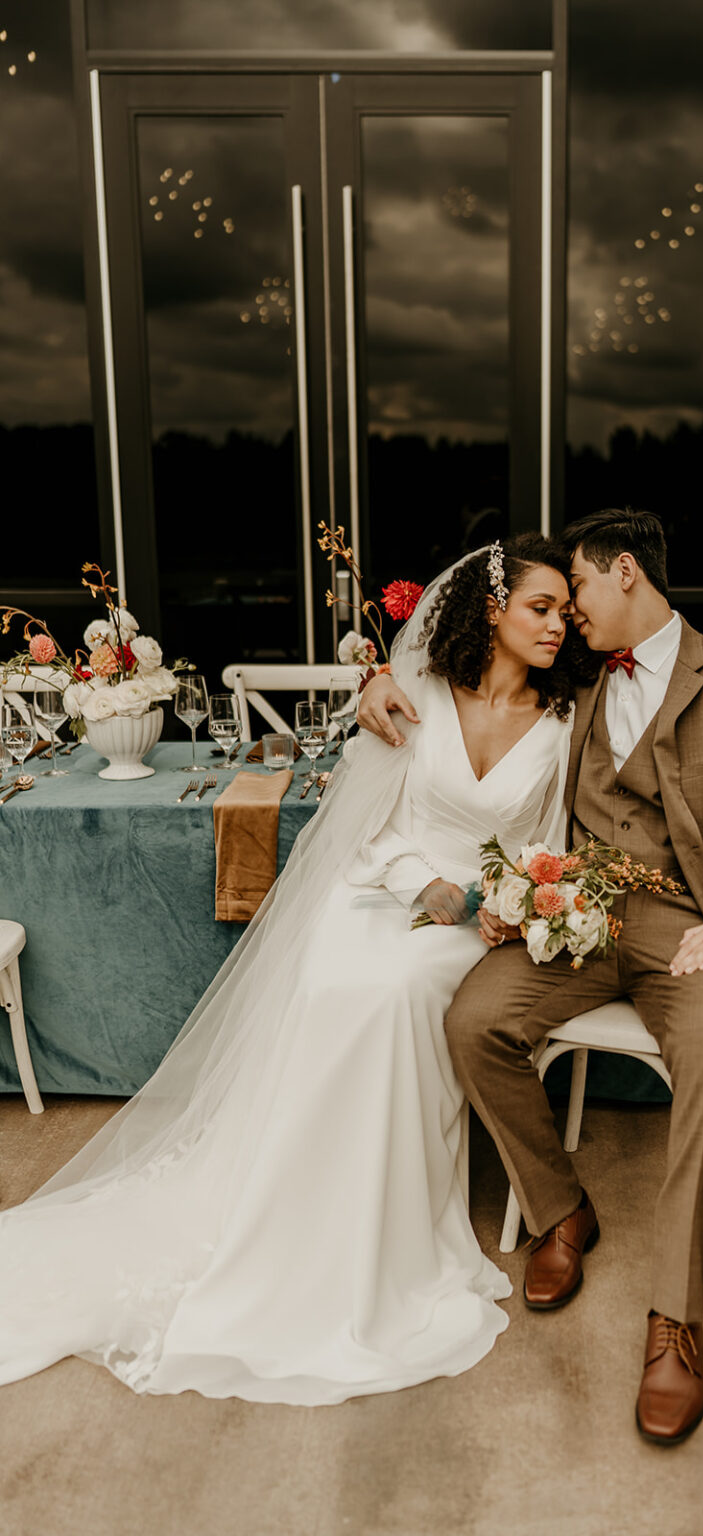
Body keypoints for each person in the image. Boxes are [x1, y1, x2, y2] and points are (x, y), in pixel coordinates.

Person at [0, 534, 583, 1405]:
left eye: (566, 615)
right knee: (334, 976)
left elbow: (549, 841)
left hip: (477, 917)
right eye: (542, 608)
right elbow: (370, 824)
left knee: (391, 991)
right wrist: (413, 881)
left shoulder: (565, 722)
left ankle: (375, 1233)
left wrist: (501, 896)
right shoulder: (416, 694)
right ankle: (289, 1204)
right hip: (383, 884)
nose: (557, 627)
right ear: (493, 609)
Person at [357, 508, 703, 1444]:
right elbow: (463, 679)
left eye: (577, 597)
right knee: (473, 1021)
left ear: (623, 576)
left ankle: (676, 1322)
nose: (566, 619)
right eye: (552, 606)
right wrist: (371, 674)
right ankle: (560, 1208)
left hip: (696, 932)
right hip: (582, 915)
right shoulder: (576, 681)